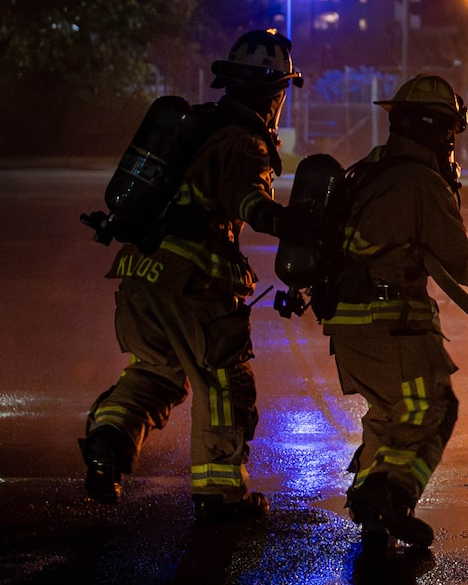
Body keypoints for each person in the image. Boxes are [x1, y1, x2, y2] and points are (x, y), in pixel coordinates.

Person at [80, 29, 303, 520]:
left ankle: (108, 443)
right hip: (195, 282)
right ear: (275, 92)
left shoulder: (195, 127)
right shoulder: (244, 143)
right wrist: (294, 220)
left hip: (140, 271)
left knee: (156, 373)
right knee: (225, 385)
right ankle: (220, 496)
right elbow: (249, 203)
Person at [322, 74, 468, 553]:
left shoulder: (369, 171)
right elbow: (460, 262)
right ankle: (391, 498)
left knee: (390, 414)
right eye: (449, 135)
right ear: (438, 130)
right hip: (391, 323)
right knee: (433, 410)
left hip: (352, 324)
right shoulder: (419, 181)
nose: (451, 146)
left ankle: (373, 512)